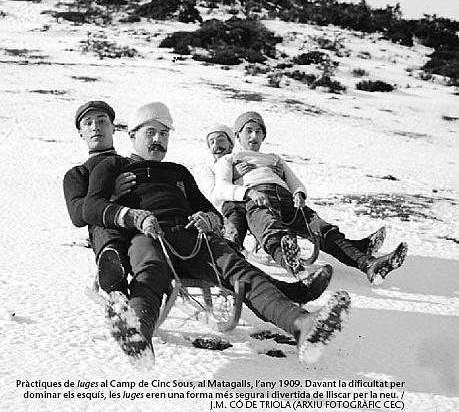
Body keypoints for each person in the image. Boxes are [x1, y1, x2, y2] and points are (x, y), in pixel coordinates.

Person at [82, 102, 351, 364]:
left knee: (241, 273)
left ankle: (301, 324)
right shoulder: (113, 167)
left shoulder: (178, 172)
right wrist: (134, 217)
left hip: (194, 236)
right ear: (132, 135)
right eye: (150, 132)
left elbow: (210, 209)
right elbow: (91, 207)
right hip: (149, 236)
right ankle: (138, 334)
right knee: (150, 273)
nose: (158, 140)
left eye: (163, 134)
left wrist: (209, 219)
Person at [214, 111, 407, 285]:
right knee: (271, 230)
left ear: (264, 136)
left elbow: (294, 181)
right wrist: (248, 193)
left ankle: (369, 265)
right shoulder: (230, 160)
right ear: (238, 135)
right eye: (248, 131)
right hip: (258, 197)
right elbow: (221, 188)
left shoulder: (274, 158)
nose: (254, 136)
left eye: (259, 131)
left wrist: (298, 193)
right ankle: (298, 271)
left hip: (286, 198)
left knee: (321, 229)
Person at [197, 122, 334, 279]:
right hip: (231, 205)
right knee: (235, 227)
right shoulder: (209, 169)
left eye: (220, 140)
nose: (216, 145)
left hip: (252, 200)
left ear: (231, 143)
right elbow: (215, 195)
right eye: (211, 142)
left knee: (266, 215)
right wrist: (234, 176)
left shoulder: (241, 159)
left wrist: (277, 174)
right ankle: (231, 261)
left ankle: (284, 251)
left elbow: (262, 177)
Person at [63, 100, 135, 294]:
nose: (95, 127)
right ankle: (115, 284)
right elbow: (77, 216)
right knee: (105, 230)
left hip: (141, 225)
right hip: (108, 231)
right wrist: (109, 194)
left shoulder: (131, 164)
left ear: (113, 128)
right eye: (88, 123)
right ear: (81, 133)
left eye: (102, 121)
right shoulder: (77, 174)